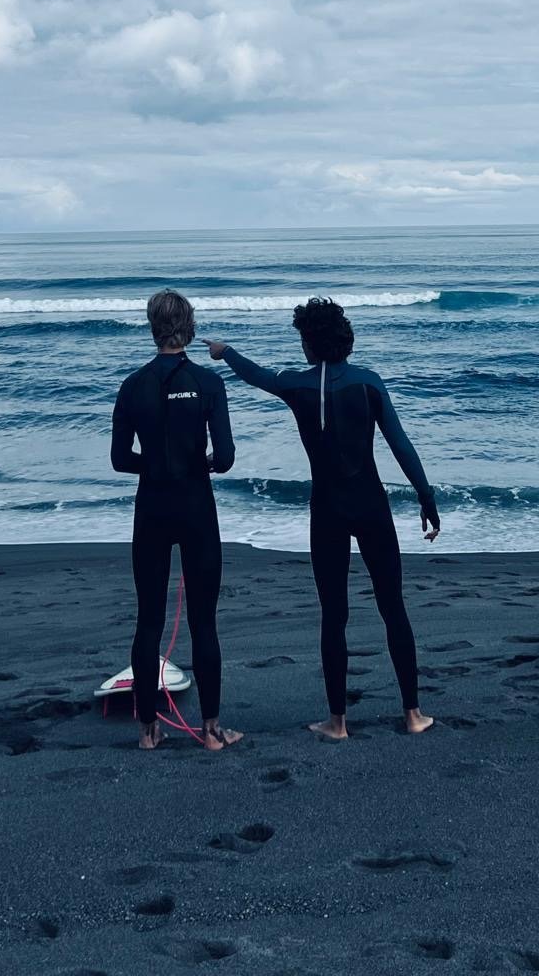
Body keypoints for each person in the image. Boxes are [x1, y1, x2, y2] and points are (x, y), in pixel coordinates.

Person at [205, 297, 440, 740]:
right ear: (346, 339)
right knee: (393, 608)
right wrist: (426, 498)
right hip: (372, 506)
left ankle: (338, 722)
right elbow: (401, 445)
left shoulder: (296, 385)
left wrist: (225, 351)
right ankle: (412, 715)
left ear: (308, 345)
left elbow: (257, 376)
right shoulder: (370, 383)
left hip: (327, 511)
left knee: (334, 615)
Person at [112, 289, 242, 752]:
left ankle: (148, 731)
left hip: (151, 508)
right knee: (204, 621)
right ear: (188, 327)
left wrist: (156, 466)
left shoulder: (132, 385)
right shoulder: (209, 383)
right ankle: (211, 731)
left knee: (148, 620)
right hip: (196, 508)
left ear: (153, 327)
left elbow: (118, 459)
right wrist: (197, 463)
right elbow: (224, 458)